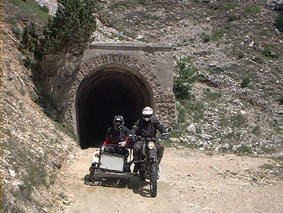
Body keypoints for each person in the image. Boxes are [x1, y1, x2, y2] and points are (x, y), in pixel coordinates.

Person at [130, 106, 169, 174]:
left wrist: (165, 133)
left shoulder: (155, 122)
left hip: (152, 140)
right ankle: (136, 164)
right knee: (136, 147)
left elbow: (160, 127)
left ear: (151, 115)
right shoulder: (139, 122)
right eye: (145, 115)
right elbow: (135, 128)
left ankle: (156, 165)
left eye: (148, 115)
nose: (146, 117)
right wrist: (132, 134)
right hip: (142, 139)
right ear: (142, 115)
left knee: (160, 148)